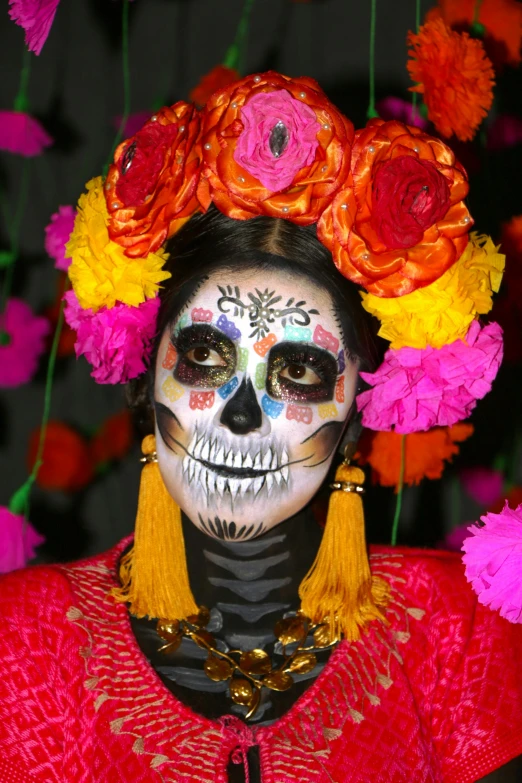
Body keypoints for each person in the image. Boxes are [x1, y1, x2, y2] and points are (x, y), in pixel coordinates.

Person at [0, 71, 521, 783]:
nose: (242, 414)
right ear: (146, 379)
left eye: (299, 372)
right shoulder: (21, 644)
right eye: (206, 356)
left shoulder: (459, 639)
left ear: (360, 408)